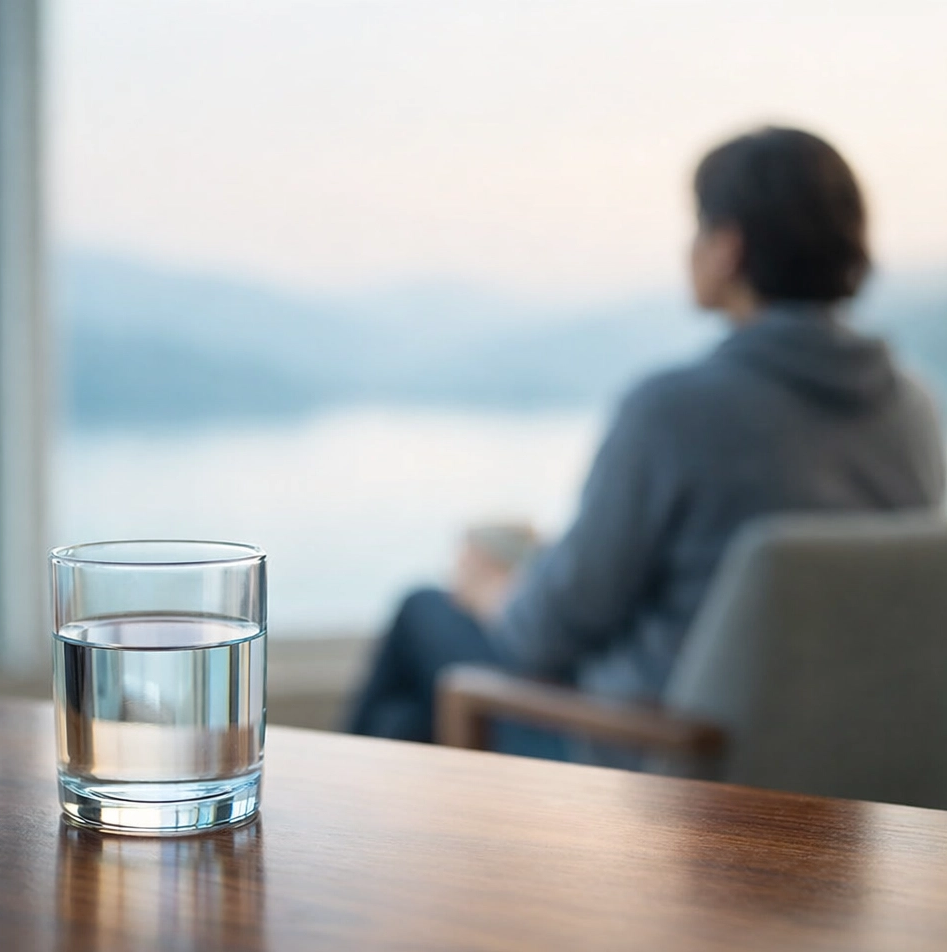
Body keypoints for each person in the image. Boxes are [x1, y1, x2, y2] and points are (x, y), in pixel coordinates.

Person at [345, 126, 946, 757]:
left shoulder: (673, 410)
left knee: (423, 618)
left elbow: (545, 634)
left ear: (727, 247)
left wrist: (489, 588)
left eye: (698, 227)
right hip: (830, 777)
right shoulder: (913, 408)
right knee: (405, 728)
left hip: (659, 766)